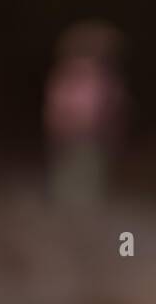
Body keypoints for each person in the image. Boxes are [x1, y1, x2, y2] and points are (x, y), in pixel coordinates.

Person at [43, 21, 126, 209]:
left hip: (92, 129)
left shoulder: (103, 75)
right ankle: (72, 205)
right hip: (77, 127)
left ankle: (80, 205)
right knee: (74, 165)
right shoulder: (76, 73)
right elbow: (60, 98)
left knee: (88, 165)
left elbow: (112, 101)